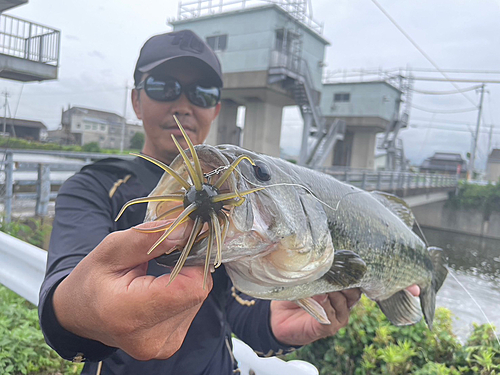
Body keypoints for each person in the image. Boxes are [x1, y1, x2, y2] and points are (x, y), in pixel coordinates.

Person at [38, 29, 415, 374]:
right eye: (164, 86)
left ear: (216, 108)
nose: (183, 104)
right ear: (136, 100)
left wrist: (278, 325)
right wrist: (79, 311)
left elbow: (235, 309)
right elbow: (64, 287)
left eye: (202, 93)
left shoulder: (235, 204)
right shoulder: (91, 187)